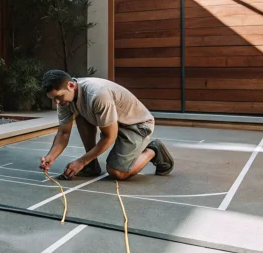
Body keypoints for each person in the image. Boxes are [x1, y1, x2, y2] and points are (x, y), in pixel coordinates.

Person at [38, 70, 174, 180]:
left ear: (71, 85)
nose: (56, 102)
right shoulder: (64, 100)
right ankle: (92, 166)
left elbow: (109, 137)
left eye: (59, 97)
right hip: (112, 121)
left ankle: (153, 150)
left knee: (117, 172)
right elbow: (63, 133)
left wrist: (81, 161)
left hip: (136, 125)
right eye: (53, 99)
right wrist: (51, 156)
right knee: (79, 115)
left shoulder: (97, 94)